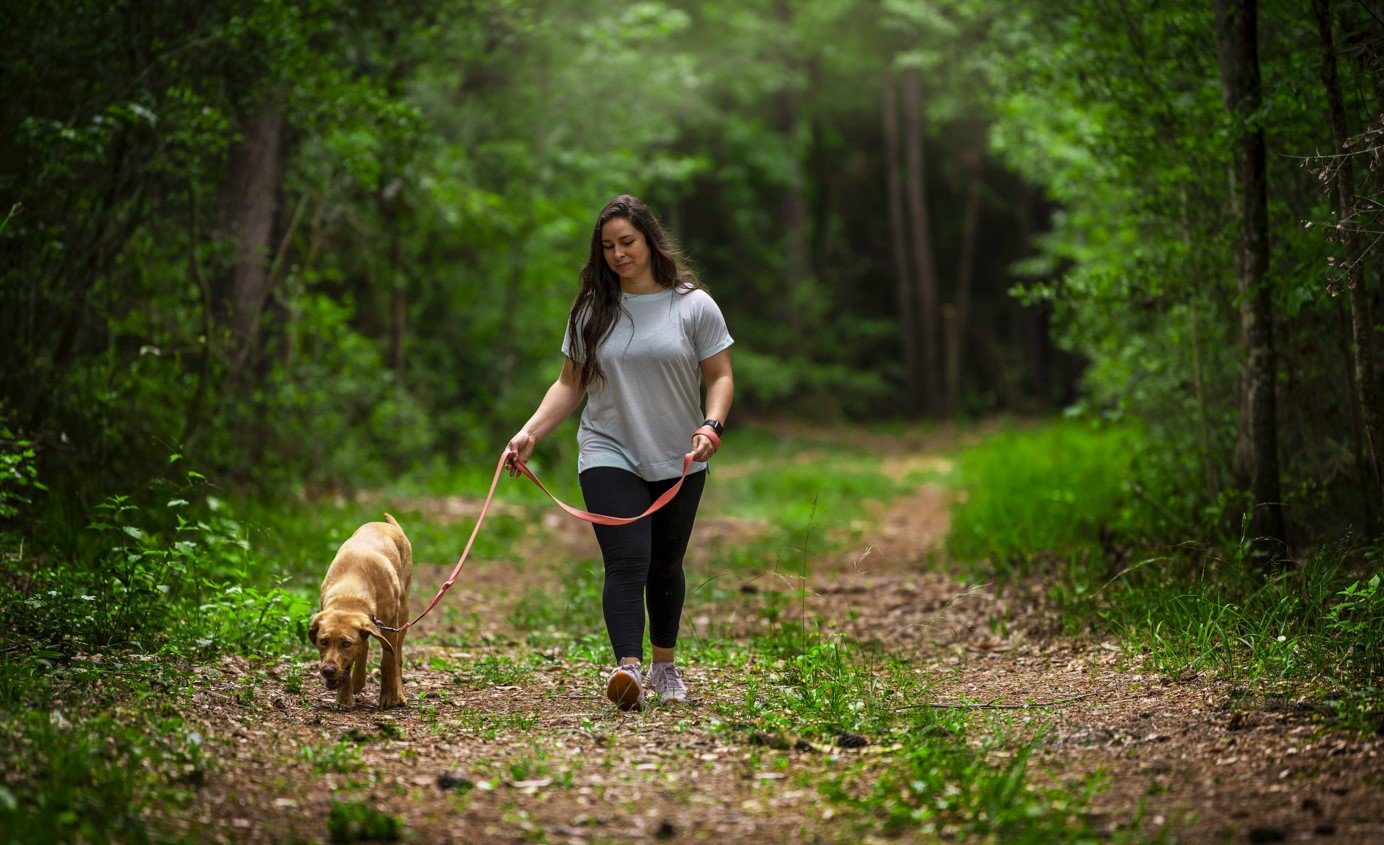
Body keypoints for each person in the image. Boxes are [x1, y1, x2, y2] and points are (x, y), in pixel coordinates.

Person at [506, 194, 734, 711]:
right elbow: (570, 384)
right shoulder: (592, 310)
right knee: (627, 559)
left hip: (681, 453)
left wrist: (711, 426)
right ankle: (627, 669)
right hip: (607, 449)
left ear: (650, 241)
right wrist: (530, 433)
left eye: (626, 242)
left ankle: (665, 666)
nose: (618, 254)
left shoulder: (693, 304)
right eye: (607, 246)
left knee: (666, 561)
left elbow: (719, 375)